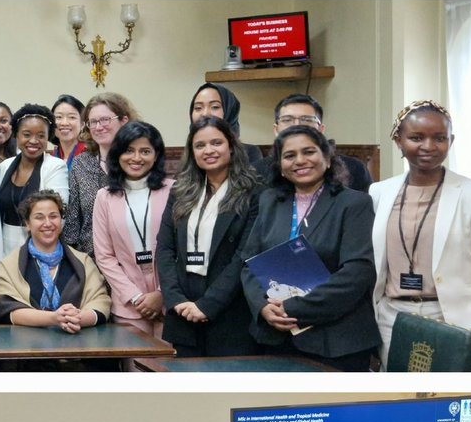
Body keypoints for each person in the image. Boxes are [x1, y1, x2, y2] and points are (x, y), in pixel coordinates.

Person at [241, 126, 380, 370]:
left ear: (327, 159)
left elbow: (358, 272)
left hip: (337, 341)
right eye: (289, 155)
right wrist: (263, 307)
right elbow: (249, 263)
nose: (300, 161)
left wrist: (294, 308)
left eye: (309, 152)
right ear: (280, 166)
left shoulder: (354, 203)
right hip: (276, 339)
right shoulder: (270, 201)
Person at [370, 100, 471, 367]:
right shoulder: (378, 193)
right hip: (392, 317)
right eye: (416, 137)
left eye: (439, 138)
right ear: (398, 141)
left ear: (451, 140)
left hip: (456, 320)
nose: (428, 146)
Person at [156, 116, 259, 357]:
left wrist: (208, 305)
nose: (209, 150)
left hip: (229, 313)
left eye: (216, 143)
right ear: (192, 152)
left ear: (231, 146)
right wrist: (175, 299)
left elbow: (244, 256)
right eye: (200, 145)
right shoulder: (180, 191)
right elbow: (164, 248)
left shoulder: (253, 193)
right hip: (183, 312)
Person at [92, 120, 173, 336]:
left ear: (156, 155)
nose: (136, 158)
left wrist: (161, 293)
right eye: (129, 151)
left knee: (168, 368)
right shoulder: (104, 197)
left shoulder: (174, 191)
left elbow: (181, 249)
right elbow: (104, 256)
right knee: (135, 368)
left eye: (145, 151)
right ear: (118, 154)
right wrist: (135, 297)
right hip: (128, 305)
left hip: (170, 301)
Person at [0, 190, 110, 332]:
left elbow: (101, 303)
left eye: (53, 216)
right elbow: (4, 310)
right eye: (39, 217)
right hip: (27, 348)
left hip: (76, 346)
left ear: (61, 221)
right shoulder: (9, 266)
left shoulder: (84, 262)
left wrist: (74, 320)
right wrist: (54, 318)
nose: (47, 223)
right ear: (27, 224)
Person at [63, 91, 137, 255]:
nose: (98, 127)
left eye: (105, 120)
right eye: (93, 122)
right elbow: (72, 221)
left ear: (124, 121)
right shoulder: (81, 163)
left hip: (134, 257)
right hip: (91, 259)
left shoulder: (137, 161)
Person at [0, 104, 70, 254]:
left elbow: (59, 214)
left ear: (48, 137)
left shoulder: (56, 167)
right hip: (4, 246)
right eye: (27, 134)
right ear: (16, 135)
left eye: (41, 135)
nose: (34, 141)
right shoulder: (4, 166)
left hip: (41, 245)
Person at [259, 95, 372, 192]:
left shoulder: (354, 168)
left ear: (321, 130)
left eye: (307, 120)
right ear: (276, 129)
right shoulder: (256, 172)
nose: (297, 126)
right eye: (287, 120)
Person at [188, 83, 264, 166]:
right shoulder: (190, 152)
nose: (205, 113)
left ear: (229, 111)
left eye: (215, 107)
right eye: (198, 108)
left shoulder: (249, 153)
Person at [51, 94, 86, 171]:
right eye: (59, 117)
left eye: (72, 117)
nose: (64, 123)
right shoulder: (51, 158)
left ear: (82, 124)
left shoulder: (90, 156)